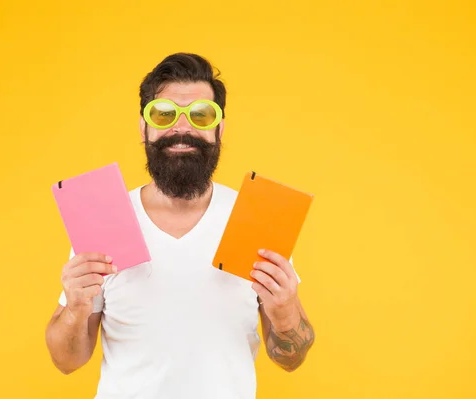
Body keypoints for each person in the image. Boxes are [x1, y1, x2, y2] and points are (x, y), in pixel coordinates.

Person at [45, 53, 315, 398]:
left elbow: (290, 358)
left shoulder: (254, 217)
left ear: (219, 128)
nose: (183, 128)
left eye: (201, 115)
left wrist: (286, 310)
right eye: (164, 114)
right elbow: (67, 360)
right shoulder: (105, 218)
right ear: (144, 127)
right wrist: (75, 309)